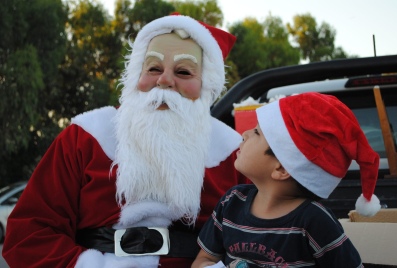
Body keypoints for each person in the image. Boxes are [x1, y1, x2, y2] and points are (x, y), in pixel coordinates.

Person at [2, 14, 249, 268]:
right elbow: (29, 233)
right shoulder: (86, 136)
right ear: (136, 75)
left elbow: (264, 239)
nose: (164, 80)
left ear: (205, 84)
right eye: (153, 68)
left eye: (183, 71)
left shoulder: (234, 153)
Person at [192, 92, 382, 268]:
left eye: (257, 132)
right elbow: (205, 259)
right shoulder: (231, 202)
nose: (245, 134)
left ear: (281, 168)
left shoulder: (314, 221)